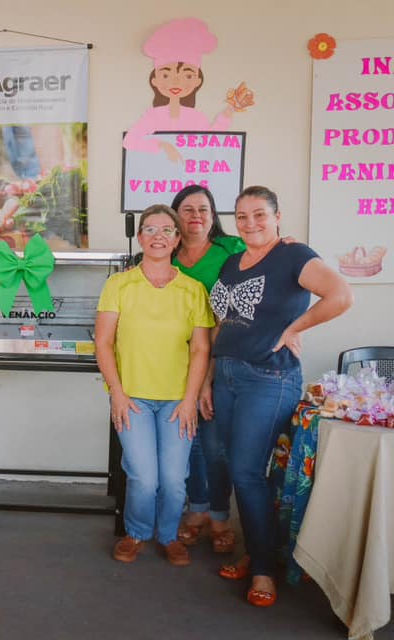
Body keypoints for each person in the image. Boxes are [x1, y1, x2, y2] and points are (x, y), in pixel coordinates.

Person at [209, 186, 352, 607]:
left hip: (269, 378)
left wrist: (293, 330)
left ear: (277, 217)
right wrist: (208, 378)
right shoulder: (233, 262)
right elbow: (226, 321)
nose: (250, 223)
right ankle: (257, 550)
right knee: (237, 469)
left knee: (247, 471)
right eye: (242, 216)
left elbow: (341, 296)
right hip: (228, 374)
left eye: (259, 214)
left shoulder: (293, 254)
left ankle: (264, 569)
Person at [95, 204, 213, 567]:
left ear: (178, 238)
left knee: (175, 478)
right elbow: (103, 342)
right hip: (133, 400)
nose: (158, 236)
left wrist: (190, 400)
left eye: (166, 230)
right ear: (140, 236)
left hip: (178, 400)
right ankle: (137, 533)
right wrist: (116, 392)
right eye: (150, 229)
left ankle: (168, 535)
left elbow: (201, 348)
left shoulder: (192, 290)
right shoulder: (119, 284)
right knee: (144, 477)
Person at [169, 185, 244, 553]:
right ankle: (195, 511)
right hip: (171, 365)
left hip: (219, 363)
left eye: (203, 208)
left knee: (215, 446)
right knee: (191, 445)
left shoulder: (232, 252)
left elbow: (273, 269)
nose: (195, 215)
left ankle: (219, 516)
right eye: (187, 209)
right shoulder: (162, 255)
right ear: (174, 216)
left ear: (213, 216)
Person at [123, 18, 253, 161]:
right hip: (160, 178)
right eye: (166, 75)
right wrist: (164, 145)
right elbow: (130, 141)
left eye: (188, 76)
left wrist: (229, 111)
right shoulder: (154, 115)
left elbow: (211, 140)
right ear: (155, 81)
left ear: (197, 81)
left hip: (189, 176)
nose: (176, 82)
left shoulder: (196, 117)